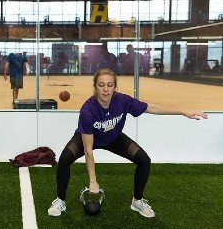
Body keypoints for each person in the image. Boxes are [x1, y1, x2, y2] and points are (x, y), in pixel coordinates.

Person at [47, 68, 207, 218]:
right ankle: (60, 201)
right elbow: (88, 150)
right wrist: (93, 180)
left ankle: (137, 201)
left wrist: (183, 111)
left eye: (110, 85)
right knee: (64, 159)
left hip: (113, 138)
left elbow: (152, 107)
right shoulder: (88, 110)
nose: (105, 89)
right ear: (95, 87)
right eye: (101, 85)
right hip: (88, 138)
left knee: (144, 160)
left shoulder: (122, 101)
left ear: (114, 87)